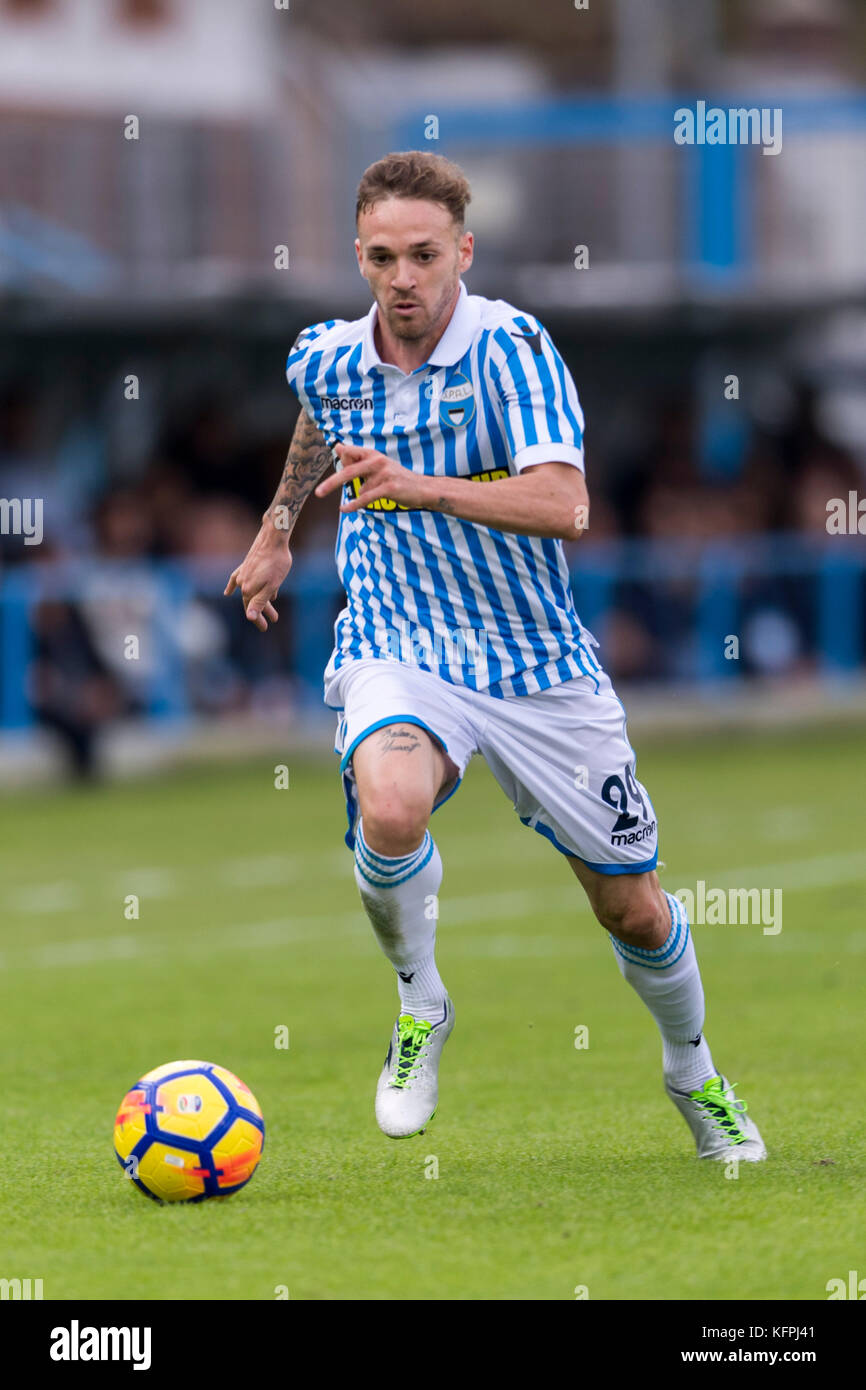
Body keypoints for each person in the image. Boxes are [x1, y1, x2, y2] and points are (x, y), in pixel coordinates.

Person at [225, 150, 765, 1160]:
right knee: (388, 804)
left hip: (533, 663)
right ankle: (419, 1001)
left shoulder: (512, 349)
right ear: (358, 257)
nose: (403, 278)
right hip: (400, 641)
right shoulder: (328, 355)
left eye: (423, 255)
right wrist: (275, 525)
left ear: (461, 251)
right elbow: (320, 420)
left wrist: (418, 484)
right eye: (382, 257)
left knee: (632, 906)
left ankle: (693, 1069)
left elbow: (565, 504)